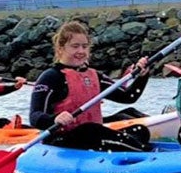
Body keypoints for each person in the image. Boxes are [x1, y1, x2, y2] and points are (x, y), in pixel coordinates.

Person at [29, 21, 152, 151]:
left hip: (91, 137)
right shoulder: (51, 77)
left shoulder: (94, 76)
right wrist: (54, 119)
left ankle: (138, 150)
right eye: (75, 46)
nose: (81, 51)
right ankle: (145, 152)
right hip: (60, 140)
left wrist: (142, 76)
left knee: (140, 131)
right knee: (90, 130)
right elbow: (35, 116)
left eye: (84, 46)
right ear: (61, 48)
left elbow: (129, 96)